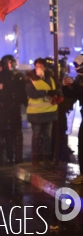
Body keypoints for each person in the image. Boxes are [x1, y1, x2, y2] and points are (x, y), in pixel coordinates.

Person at [0, 55, 27, 165]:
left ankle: (18, 156)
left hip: (14, 107)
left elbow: (23, 94)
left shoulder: (19, 76)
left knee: (17, 132)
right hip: (1, 108)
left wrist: (26, 105)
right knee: (0, 132)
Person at [26, 57, 62, 168]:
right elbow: (31, 92)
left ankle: (46, 157)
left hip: (49, 112)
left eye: (40, 66)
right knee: (36, 135)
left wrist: (58, 95)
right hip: (36, 113)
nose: (38, 68)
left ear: (45, 68)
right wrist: (46, 92)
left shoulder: (51, 78)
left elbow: (58, 89)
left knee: (47, 136)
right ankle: (35, 158)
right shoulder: (30, 79)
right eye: (36, 66)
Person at [63, 54, 83, 183]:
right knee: (81, 144)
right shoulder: (78, 79)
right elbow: (74, 95)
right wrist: (66, 86)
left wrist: (75, 86)